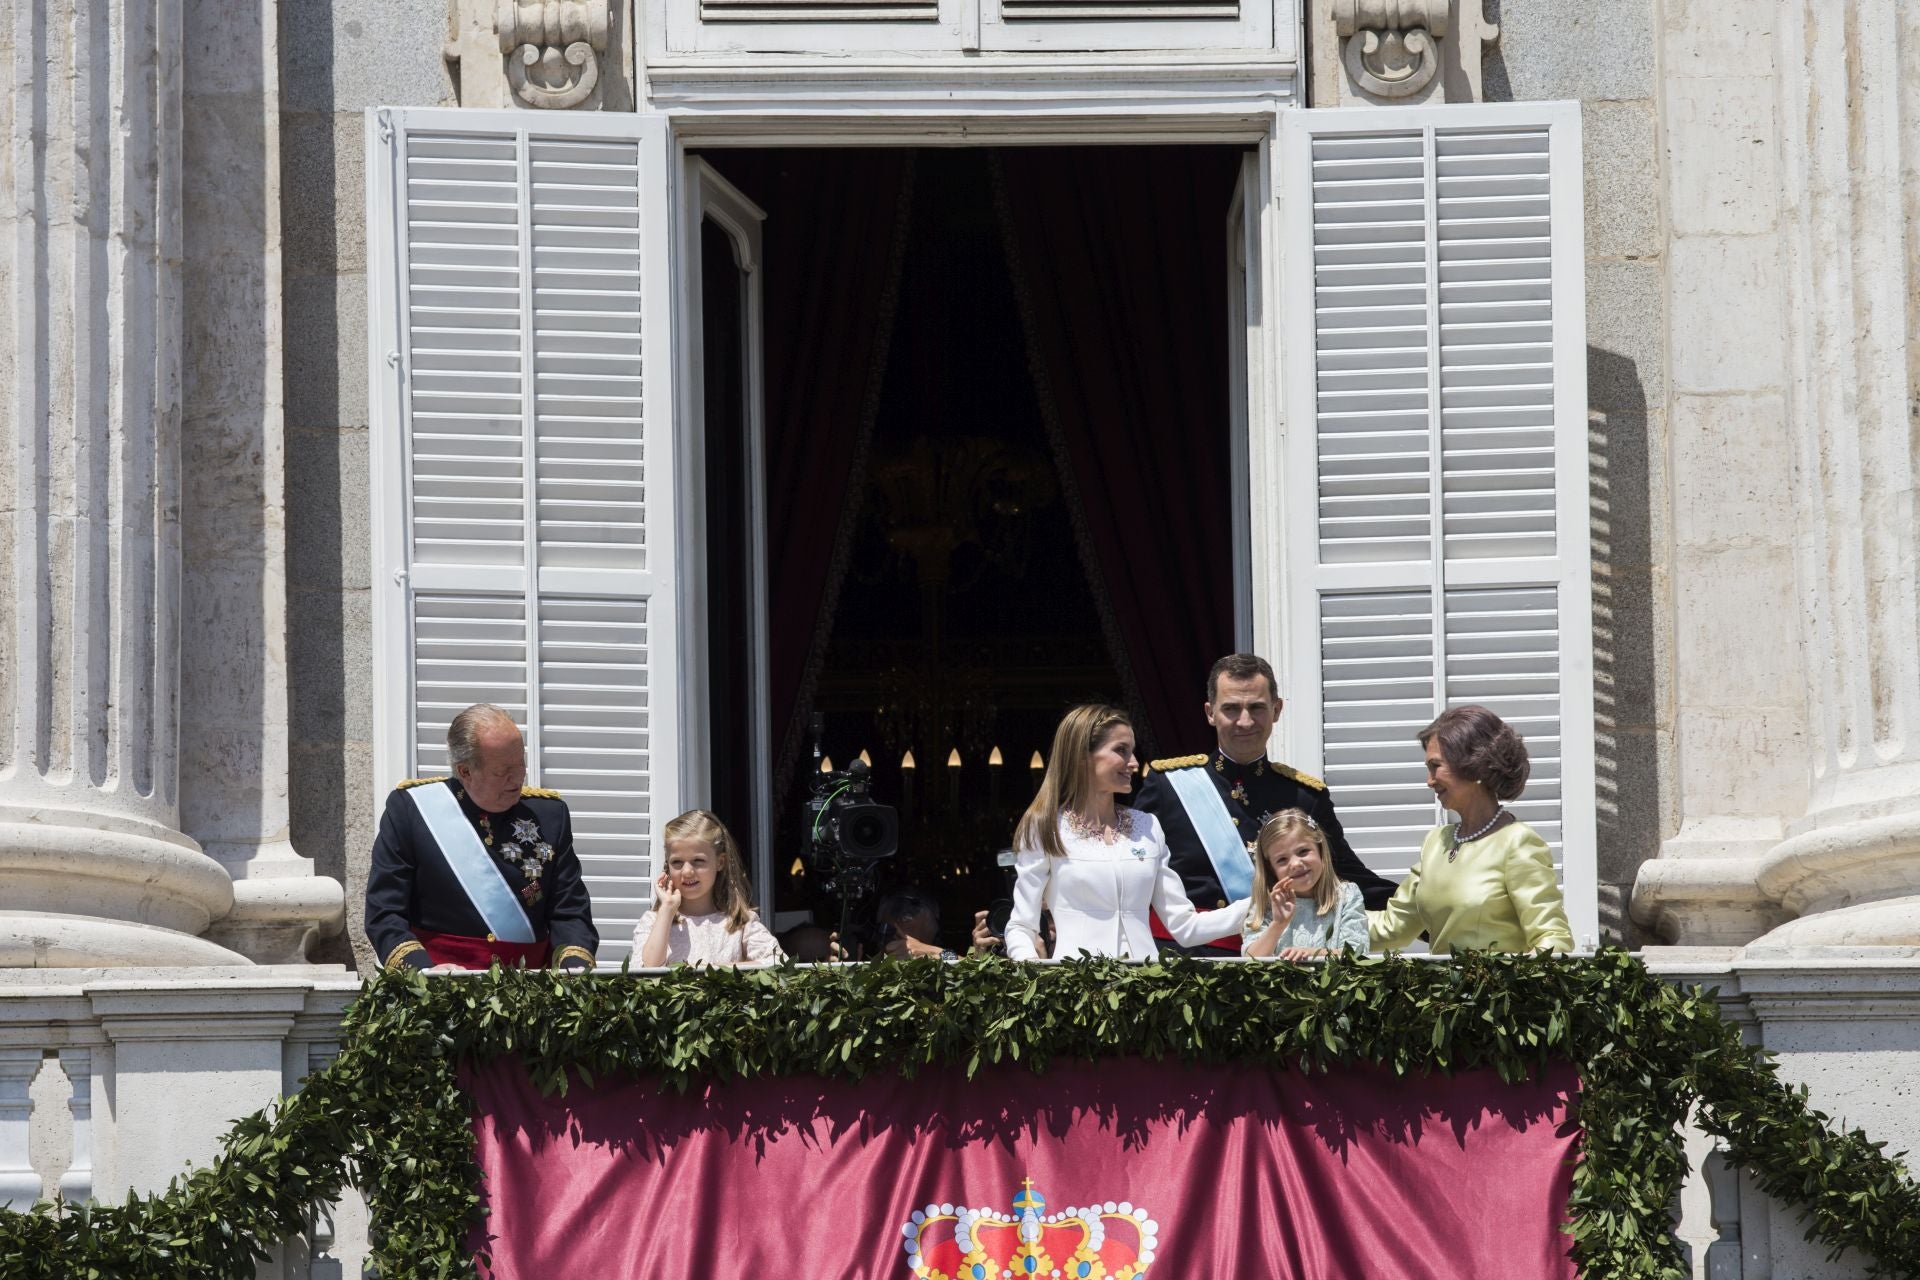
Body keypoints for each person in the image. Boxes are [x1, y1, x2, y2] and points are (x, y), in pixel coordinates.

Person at [1134, 654, 1397, 957]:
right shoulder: (1167, 787)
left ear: (1277, 710)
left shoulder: (1304, 796)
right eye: (1231, 708)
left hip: (1273, 964)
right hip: (1185, 960)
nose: (1245, 721)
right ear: (1210, 713)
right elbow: (1133, 874)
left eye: (1256, 707)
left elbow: (1353, 877)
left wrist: (1433, 909)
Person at [1004, 704, 1248, 961]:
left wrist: (1257, 907)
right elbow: (1021, 926)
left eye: (1132, 752)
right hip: (1075, 989)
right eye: (1121, 751)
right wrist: (1032, 977)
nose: (1133, 763)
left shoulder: (1148, 826)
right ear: (1082, 756)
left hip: (1145, 986)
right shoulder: (1045, 826)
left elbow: (1185, 927)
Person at [365, 704, 597, 972]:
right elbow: (385, 912)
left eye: (520, 763)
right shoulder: (412, 811)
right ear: (465, 772)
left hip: (530, 994)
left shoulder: (549, 816)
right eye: (502, 771)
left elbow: (570, 911)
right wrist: (423, 973)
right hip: (438, 991)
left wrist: (573, 971)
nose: (518, 777)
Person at [1370, 705, 1575, 955]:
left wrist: (1516, 990)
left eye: (1436, 766)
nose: (1429, 780)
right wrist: (1318, 922)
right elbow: (1392, 927)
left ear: (1472, 765)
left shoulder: (1517, 842)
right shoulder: (1436, 842)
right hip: (1442, 993)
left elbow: (1553, 939)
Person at [634, 810, 785, 967]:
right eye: (677, 862)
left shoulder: (739, 922)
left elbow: (779, 963)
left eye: (698, 860)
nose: (687, 871)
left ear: (720, 862)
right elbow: (645, 972)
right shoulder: (653, 922)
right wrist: (666, 910)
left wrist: (714, 971)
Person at [1241, 809, 1368, 960]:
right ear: (1271, 868)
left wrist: (1310, 954)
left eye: (1303, 851)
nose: (1295, 864)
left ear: (1320, 849)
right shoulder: (1267, 904)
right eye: (1282, 860)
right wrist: (1278, 924)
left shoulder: (1346, 896)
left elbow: (1357, 953)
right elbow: (1250, 962)